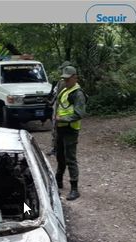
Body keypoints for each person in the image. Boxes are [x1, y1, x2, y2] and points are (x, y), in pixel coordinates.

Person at [54, 66, 86, 201]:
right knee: (60, 155)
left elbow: (79, 114)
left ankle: (74, 188)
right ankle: (58, 180)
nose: (65, 81)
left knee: (70, 158)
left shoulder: (78, 94)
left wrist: (63, 119)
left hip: (71, 129)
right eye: (64, 79)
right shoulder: (65, 90)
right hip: (60, 128)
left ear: (75, 78)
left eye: (68, 79)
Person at [48, 61, 73, 156]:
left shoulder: (63, 82)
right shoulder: (71, 81)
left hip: (60, 108)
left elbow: (58, 96)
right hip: (66, 108)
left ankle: (56, 149)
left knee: (57, 129)